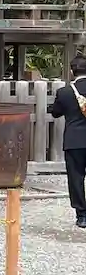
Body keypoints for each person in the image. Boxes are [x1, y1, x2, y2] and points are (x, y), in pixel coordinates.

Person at [51, 56, 86, 228]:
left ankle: (82, 215)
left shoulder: (64, 92)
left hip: (74, 140)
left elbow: (56, 112)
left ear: (72, 71)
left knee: (76, 178)